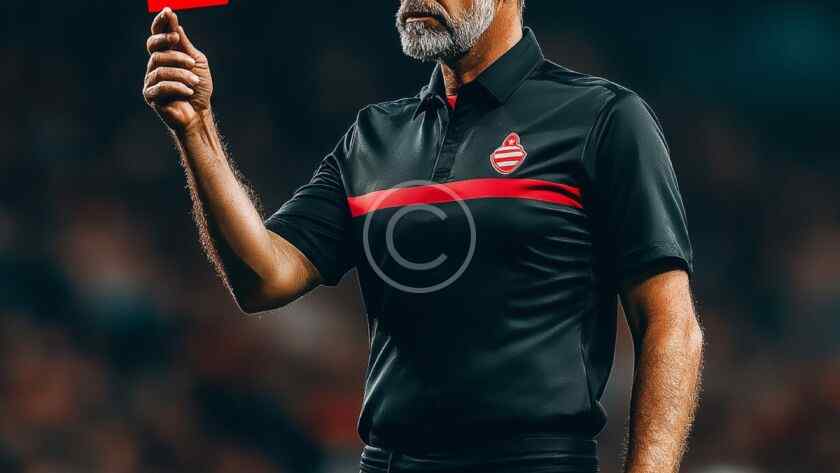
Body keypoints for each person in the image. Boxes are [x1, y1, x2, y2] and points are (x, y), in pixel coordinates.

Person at [142, 1, 704, 472]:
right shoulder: (374, 135)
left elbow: (671, 325)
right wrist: (198, 129)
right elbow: (264, 278)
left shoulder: (603, 118)